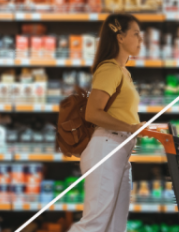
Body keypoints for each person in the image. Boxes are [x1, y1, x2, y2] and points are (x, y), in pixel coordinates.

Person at [69, 13, 147, 232]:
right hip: (106, 148)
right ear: (120, 37)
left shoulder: (123, 72)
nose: (140, 40)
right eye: (136, 34)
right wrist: (131, 128)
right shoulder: (110, 69)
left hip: (119, 150)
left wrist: (136, 127)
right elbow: (93, 113)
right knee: (95, 224)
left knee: (115, 226)